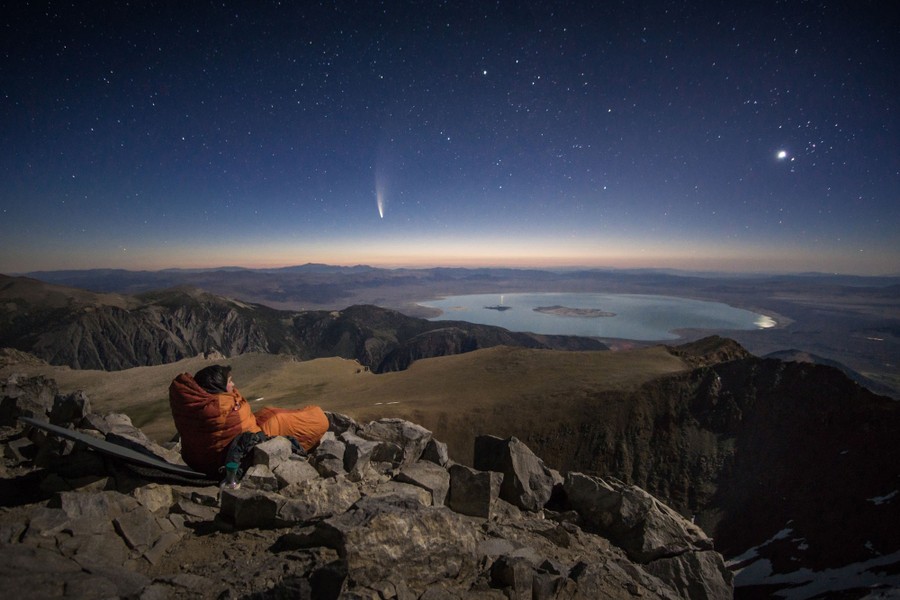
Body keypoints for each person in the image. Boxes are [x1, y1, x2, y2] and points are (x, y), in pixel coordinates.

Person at [168, 364, 329, 477]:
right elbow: (241, 417)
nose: (234, 385)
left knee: (270, 413)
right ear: (217, 387)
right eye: (230, 382)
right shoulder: (224, 408)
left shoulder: (195, 408)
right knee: (314, 418)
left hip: (199, 463)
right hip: (240, 453)